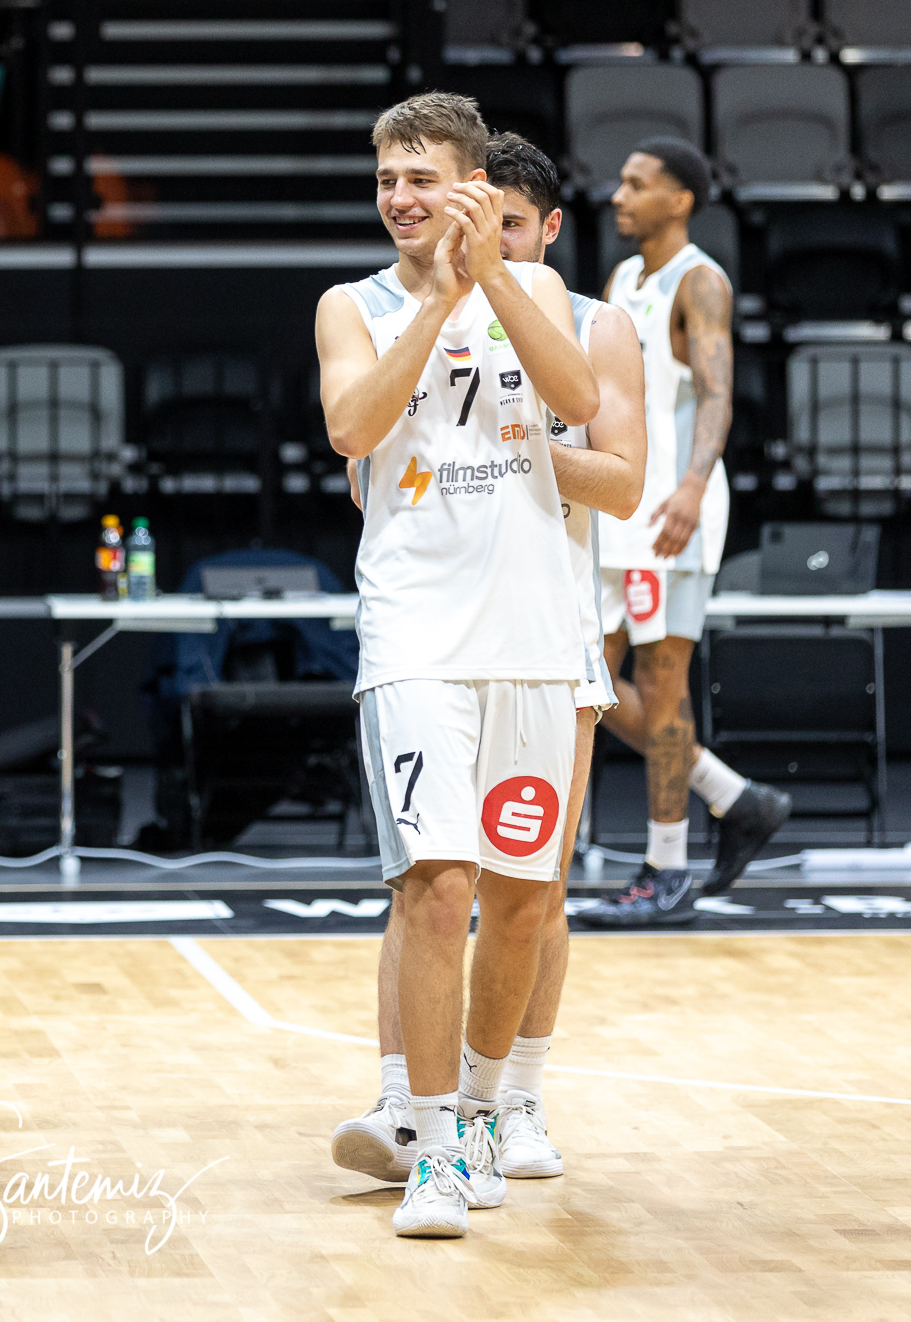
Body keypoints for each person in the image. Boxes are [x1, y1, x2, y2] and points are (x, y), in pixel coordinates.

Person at [330, 132, 647, 1188]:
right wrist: (436, 307)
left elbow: (601, 443)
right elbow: (352, 441)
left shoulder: (564, 305)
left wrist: (495, 295)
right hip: (420, 627)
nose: (400, 199)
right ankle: (419, 1116)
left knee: (526, 895)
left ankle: (504, 1096)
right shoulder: (357, 304)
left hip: (542, 630)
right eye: (385, 180)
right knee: (430, 882)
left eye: (421, 180)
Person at [581, 138, 790, 928]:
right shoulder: (622, 278)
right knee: (587, 683)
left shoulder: (699, 280)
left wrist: (694, 485)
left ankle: (665, 870)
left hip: (672, 511)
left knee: (663, 691)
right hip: (617, 504)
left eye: (637, 184)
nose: (619, 195)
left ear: (681, 200)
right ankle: (737, 798)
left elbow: (716, 393)